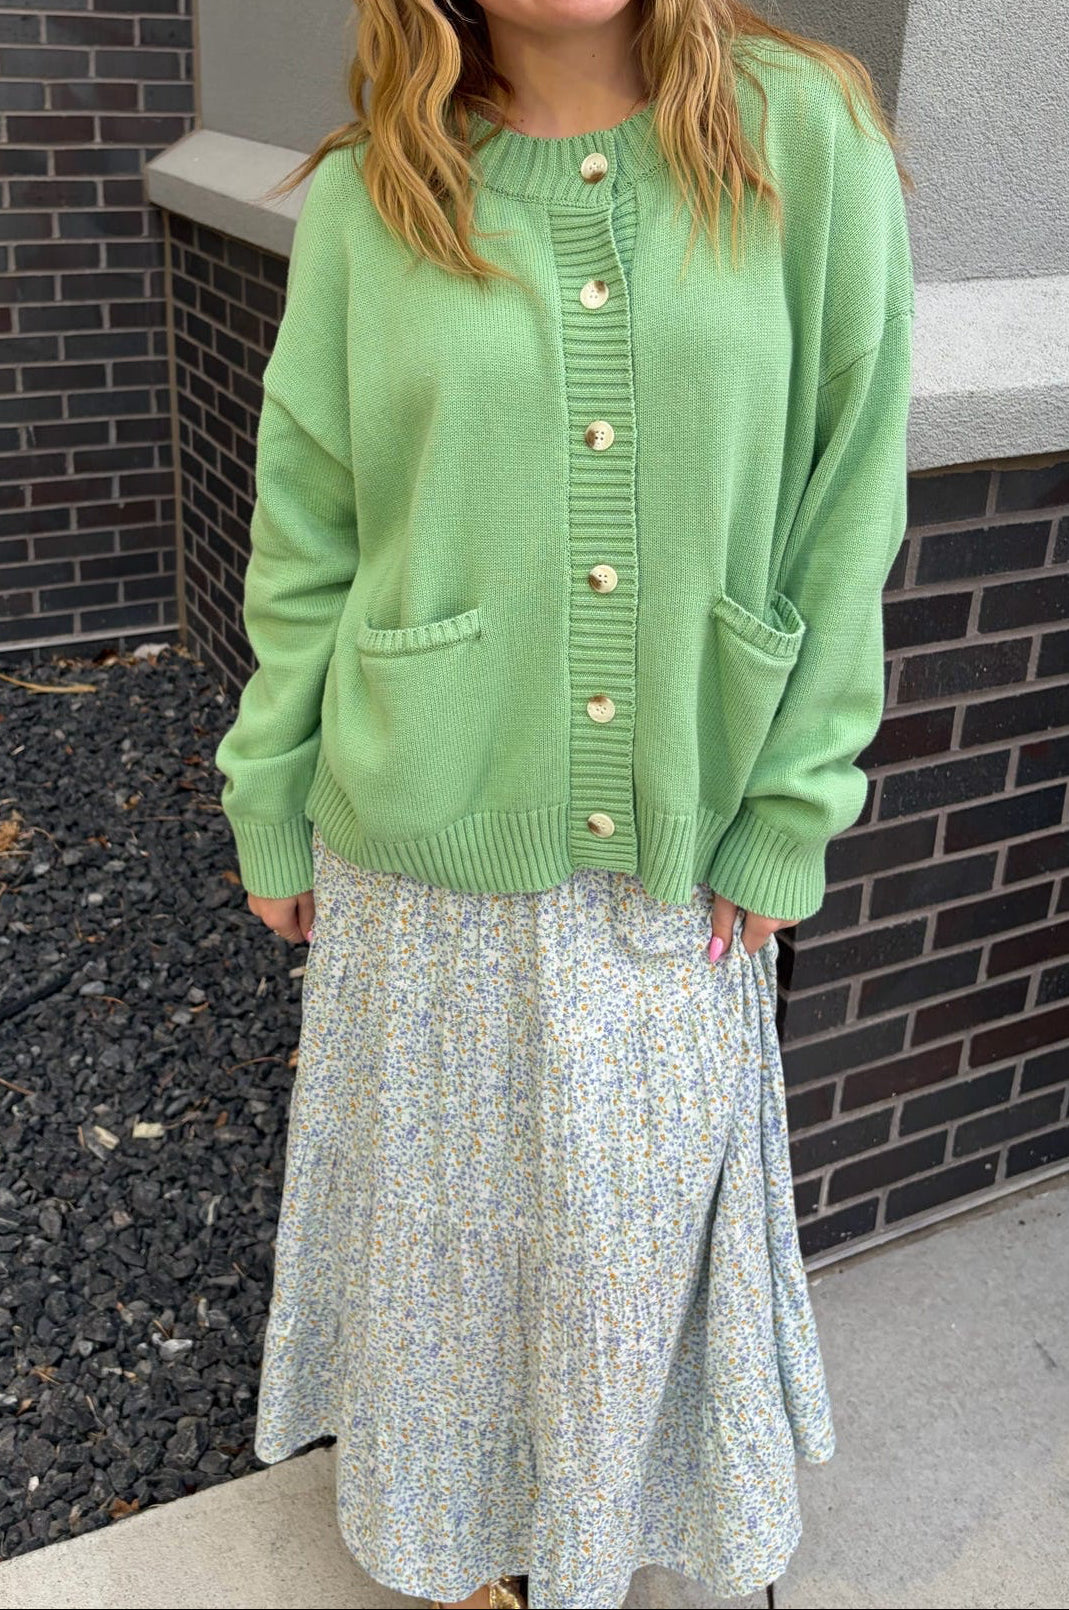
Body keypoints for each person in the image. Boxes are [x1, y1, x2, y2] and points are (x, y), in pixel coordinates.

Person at [213, 1, 914, 1605]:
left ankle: (594, 1537)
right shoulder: (371, 196)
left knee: (622, 1228)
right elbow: (306, 519)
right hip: (421, 822)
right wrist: (268, 785)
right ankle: (471, 1550)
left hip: (676, 812)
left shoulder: (797, 133)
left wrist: (794, 798)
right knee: (448, 1239)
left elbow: (847, 486)